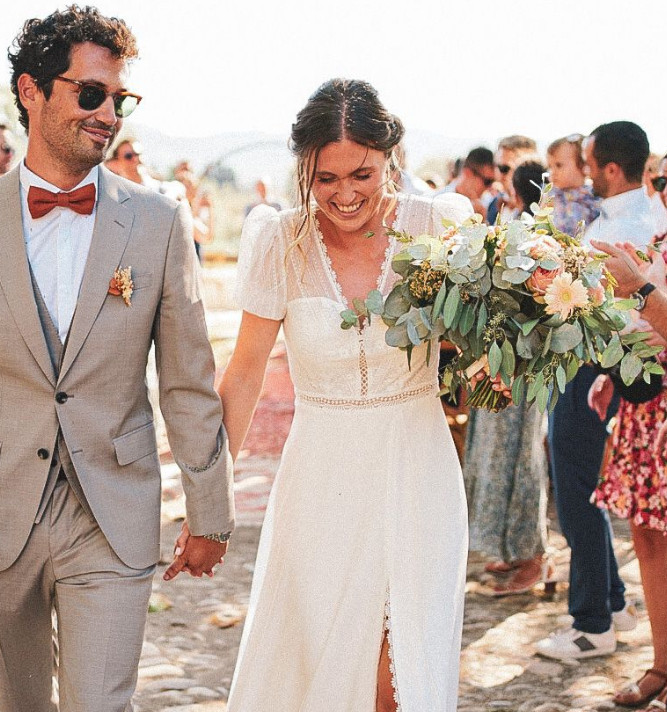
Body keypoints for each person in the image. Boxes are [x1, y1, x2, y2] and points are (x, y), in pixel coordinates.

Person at [0, 7, 234, 712]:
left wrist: (210, 511)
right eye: (91, 94)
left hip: (112, 508)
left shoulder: (159, 222)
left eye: (120, 100)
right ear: (31, 90)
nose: (109, 115)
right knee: (19, 703)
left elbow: (188, 382)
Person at [221, 78, 471, 712]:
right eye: (324, 178)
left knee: (399, 673)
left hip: (417, 470)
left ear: (390, 157)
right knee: (323, 666)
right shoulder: (278, 241)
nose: (345, 194)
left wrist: (497, 360)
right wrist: (208, 493)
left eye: (362, 173)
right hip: (320, 483)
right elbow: (245, 372)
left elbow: (476, 342)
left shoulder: (438, 228)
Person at [589, 145, 667, 709]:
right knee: (645, 533)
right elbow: (639, 319)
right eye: (662, 182)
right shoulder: (659, 244)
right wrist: (612, 371)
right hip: (647, 400)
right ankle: (663, 664)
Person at [537, 120, 655, 661]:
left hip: (596, 365)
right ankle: (613, 601)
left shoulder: (626, 227)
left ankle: (592, 626)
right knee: (584, 490)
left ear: (610, 167)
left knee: (578, 495)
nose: (582, 173)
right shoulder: (619, 216)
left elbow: (613, 310)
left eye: (587, 163)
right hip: (593, 365)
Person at [464, 160, 552, 596]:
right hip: (498, 359)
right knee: (496, 458)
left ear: (517, 191)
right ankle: (508, 548)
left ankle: (533, 558)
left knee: (522, 461)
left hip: (524, 368)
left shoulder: (540, 240)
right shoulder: (509, 230)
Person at [546, 134, 600, 235]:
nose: (552, 172)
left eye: (558, 165)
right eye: (549, 166)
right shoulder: (552, 196)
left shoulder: (593, 197)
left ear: (583, 165)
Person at [487, 135, 538, 224]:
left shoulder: (540, 207)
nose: (499, 173)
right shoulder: (494, 204)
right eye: (497, 166)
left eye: (505, 168)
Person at [438, 146, 495, 218]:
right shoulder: (438, 201)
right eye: (487, 181)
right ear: (468, 173)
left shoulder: (489, 204)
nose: (490, 187)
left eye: (493, 181)